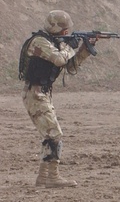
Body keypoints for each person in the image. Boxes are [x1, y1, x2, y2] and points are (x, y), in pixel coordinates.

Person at [18, 10, 96, 188]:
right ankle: (52, 176)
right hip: (34, 94)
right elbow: (60, 60)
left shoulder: (54, 42)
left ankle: (43, 177)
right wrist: (70, 46)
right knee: (54, 133)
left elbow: (71, 67)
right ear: (61, 30)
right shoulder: (39, 42)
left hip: (42, 93)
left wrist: (85, 49)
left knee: (49, 134)